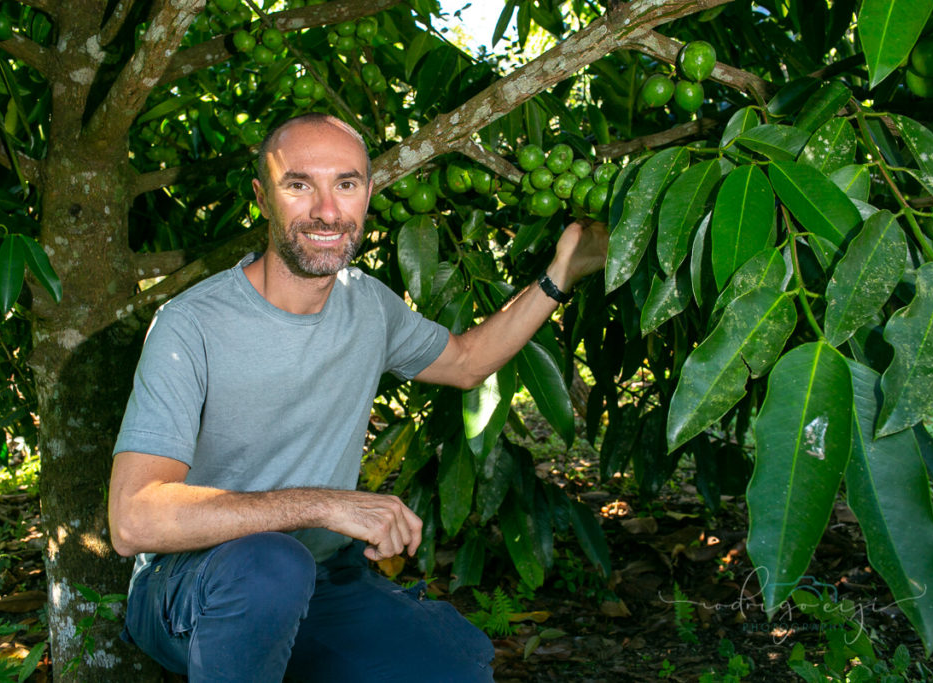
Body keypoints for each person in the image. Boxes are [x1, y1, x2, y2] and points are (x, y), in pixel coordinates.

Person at [108, 113, 608, 682]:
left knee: (456, 670)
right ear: (263, 198)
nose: (327, 211)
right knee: (271, 565)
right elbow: (133, 520)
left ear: (367, 195)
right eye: (299, 185)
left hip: (324, 580)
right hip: (190, 585)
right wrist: (324, 505)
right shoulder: (190, 324)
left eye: (345, 184)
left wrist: (562, 270)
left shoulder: (367, 304)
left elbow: (468, 362)